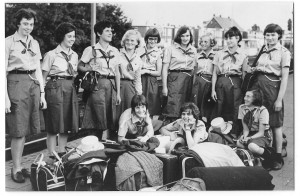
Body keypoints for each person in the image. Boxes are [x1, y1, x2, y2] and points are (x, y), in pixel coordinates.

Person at [5, 8, 47, 183]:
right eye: (25, 23)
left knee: (29, 129)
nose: (28, 27)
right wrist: (5, 98)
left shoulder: (34, 43)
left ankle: (21, 166)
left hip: (33, 85)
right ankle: (16, 168)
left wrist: (42, 93)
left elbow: (38, 68)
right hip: (16, 83)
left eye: (31, 24)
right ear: (18, 23)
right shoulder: (8, 42)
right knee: (18, 130)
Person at [251, 24, 291, 170]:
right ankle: (266, 154)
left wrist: (279, 99)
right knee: (261, 121)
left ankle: (278, 156)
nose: (270, 38)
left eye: (273, 35)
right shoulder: (263, 49)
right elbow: (260, 68)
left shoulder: (284, 52)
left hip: (273, 89)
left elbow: (285, 78)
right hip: (258, 87)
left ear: (279, 36)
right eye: (267, 35)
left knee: (275, 124)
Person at [78, 20, 121, 140]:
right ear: (98, 33)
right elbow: (80, 66)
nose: (110, 33)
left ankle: (108, 147)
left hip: (111, 86)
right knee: (97, 118)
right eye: (107, 30)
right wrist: (90, 68)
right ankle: (94, 145)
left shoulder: (115, 51)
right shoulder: (91, 50)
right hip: (97, 87)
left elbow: (117, 72)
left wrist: (118, 93)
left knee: (111, 119)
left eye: (111, 30)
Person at [41, 22, 78, 157]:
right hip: (55, 88)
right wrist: (42, 95)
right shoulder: (51, 55)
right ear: (62, 36)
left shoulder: (74, 55)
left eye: (73, 36)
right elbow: (43, 77)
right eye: (69, 36)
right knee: (53, 124)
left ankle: (62, 151)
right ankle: (52, 153)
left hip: (69, 88)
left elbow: (74, 74)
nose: (72, 39)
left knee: (66, 123)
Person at [211, 26, 248, 137]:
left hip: (236, 83)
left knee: (235, 107)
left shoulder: (243, 55)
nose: (228, 40)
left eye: (231, 38)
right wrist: (213, 90)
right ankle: (219, 133)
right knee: (220, 106)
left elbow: (244, 75)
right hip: (221, 82)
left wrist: (244, 90)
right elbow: (214, 73)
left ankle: (234, 133)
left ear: (237, 38)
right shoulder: (219, 54)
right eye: (227, 38)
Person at [161, 26, 197, 121]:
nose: (185, 38)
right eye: (183, 36)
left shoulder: (193, 50)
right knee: (174, 105)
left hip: (189, 79)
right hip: (175, 79)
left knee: (187, 105)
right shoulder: (170, 49)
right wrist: (164, 87)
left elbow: (195, 67)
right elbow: (164, 69)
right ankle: (172, 127)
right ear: (179, 37)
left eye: (187, 36)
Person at [237, 90, 274, 162]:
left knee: (251, 146)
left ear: (255, 98)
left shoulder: (262, 110)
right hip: (250, 133)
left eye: (248, 97)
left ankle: (270, 156)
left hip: (263, 135)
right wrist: (244, 137)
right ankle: (256, 158)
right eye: (245, 96)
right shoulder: (242, 108)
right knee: (238, 142)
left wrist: (249, 138)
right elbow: (246, 129)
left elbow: (261, 133)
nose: (245, 98)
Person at [117, 29, 143, 120]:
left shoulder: (138, 59)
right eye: (127, 40)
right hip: (117, 85)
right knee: (116, 110)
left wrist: (139, 94)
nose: (129, 42)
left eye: (132, 40)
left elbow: (137, 79)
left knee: (128, 111)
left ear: (137, 43)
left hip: (130, 87)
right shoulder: (117, 54)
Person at [192, 33, 217, 125]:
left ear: (212, 43)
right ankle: (197, 124)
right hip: (199, 82)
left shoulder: (216, 55)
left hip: (209, 82)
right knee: (196, 104)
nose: (203, 44)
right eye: (201, 42)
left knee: (207, 105)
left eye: (206, 41)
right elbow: (194, 71)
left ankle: (207, 125)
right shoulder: (197, 56)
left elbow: (215, 72)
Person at [140, 28, 163, 117]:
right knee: (139, 102)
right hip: (140, 79)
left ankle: (150, 127)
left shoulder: (159, 53)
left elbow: (158, 72)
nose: (152, 41)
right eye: (150, 39)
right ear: (146, 39)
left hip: (151, 80)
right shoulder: (139, 50)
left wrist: (146, 71)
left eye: (155, 39)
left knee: (151, 105)